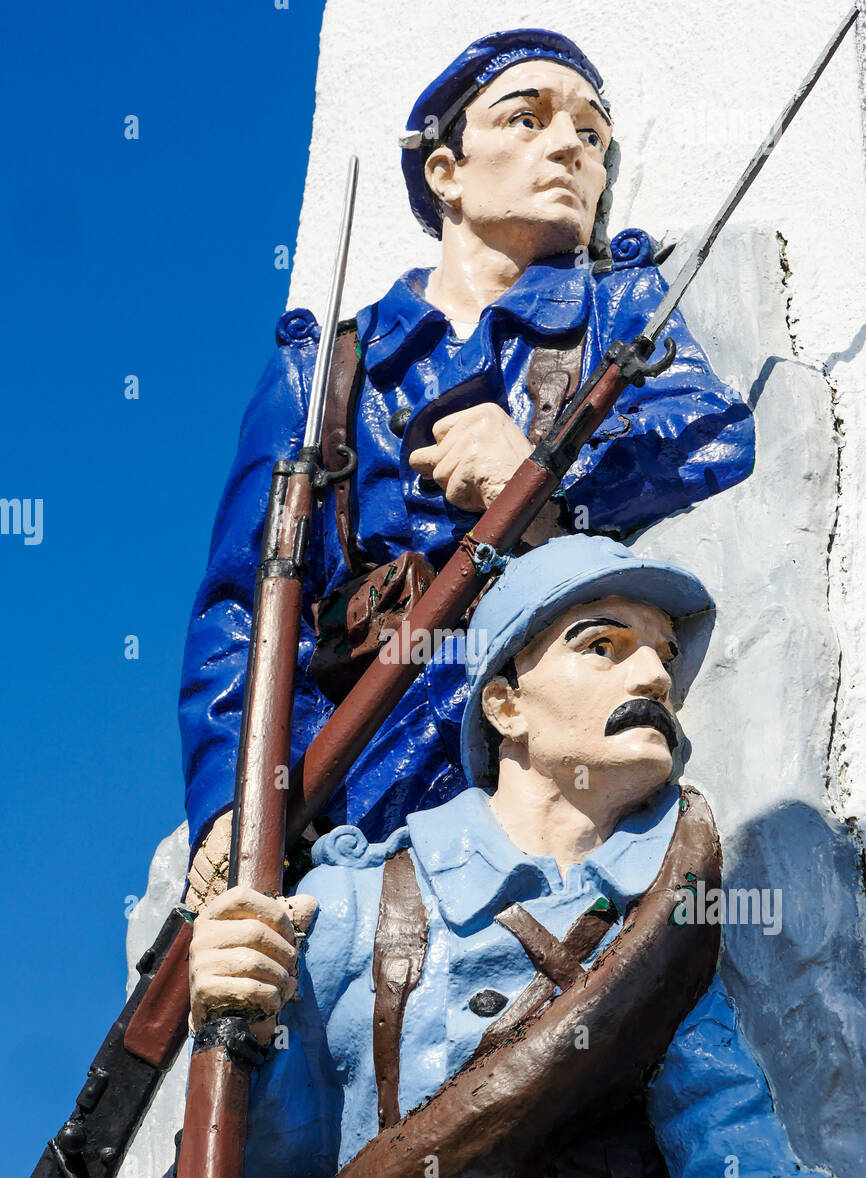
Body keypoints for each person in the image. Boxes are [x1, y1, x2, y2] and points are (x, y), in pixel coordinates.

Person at [188, 535, 860, 1178]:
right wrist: (239, 1017)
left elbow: (732, 1148)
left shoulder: (660, 928)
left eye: (665, 657)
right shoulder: (360, 903)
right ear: (505, 705)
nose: (654, 676)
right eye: (604, 646)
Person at [179, 30, 755, 908]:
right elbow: (244, 607)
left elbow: (710, 434)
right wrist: (230, 805)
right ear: (446, 171)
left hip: (553, 750)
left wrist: (540, 478)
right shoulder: (330, 369)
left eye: (592, 136)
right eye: (526, 120)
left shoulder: (622, 306)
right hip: (358, 766)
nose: (569, 146)